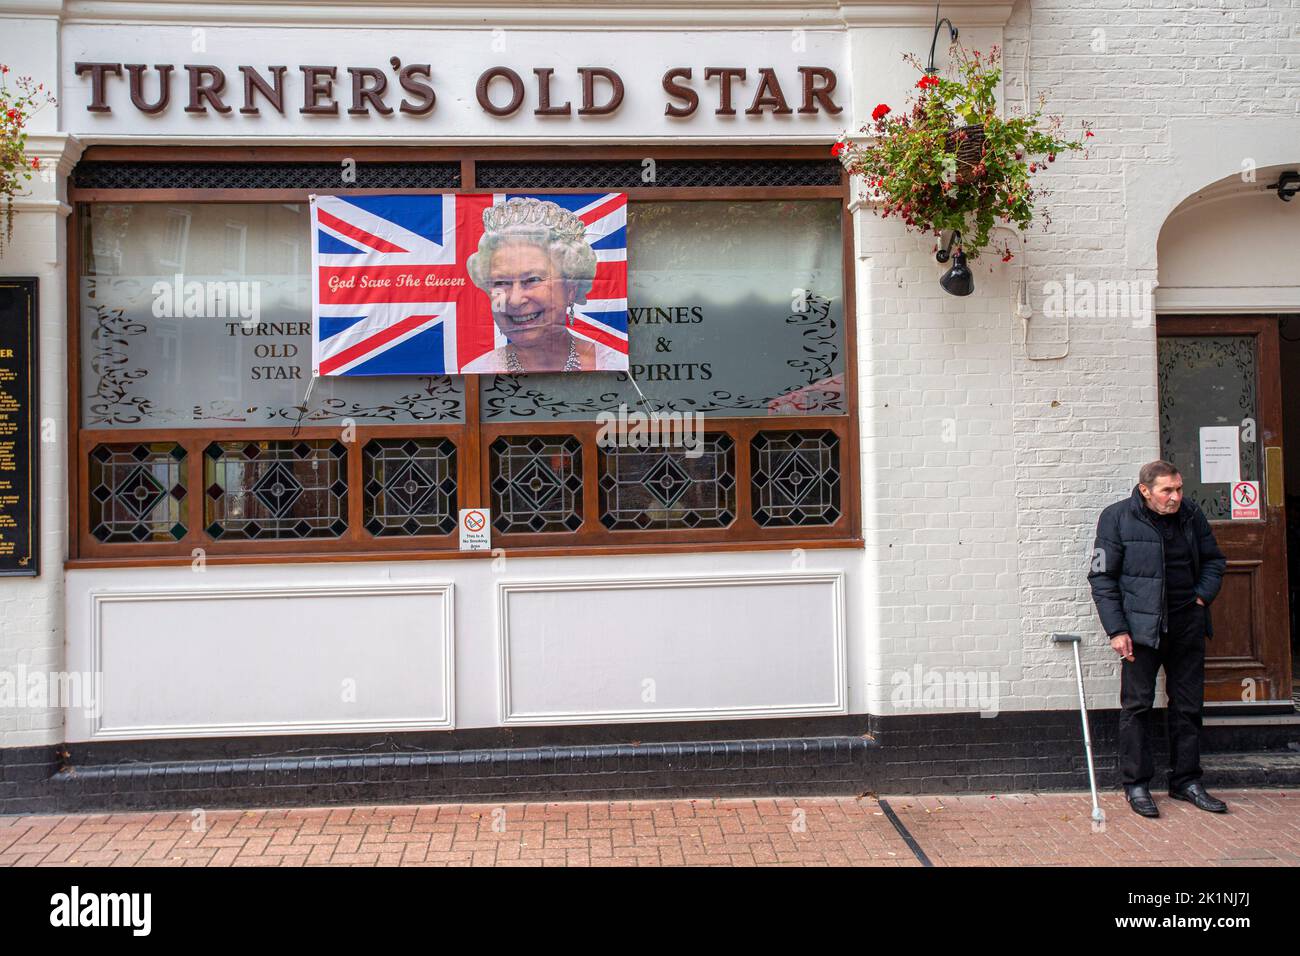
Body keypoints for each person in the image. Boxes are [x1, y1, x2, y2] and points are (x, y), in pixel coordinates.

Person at [1087, 460, 1229, 818]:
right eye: (1168, 490)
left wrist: (1200, 598)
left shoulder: (1191, 514)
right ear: (1146, 490)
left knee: (1188, 706)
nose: (1176, 497)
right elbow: (1102, 577)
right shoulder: (1117, 518)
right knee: (1137, 707)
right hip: (1141, 631)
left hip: (1187, 625)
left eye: (1179, 488)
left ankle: (1186, 781)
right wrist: (1117, 630)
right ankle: (1136, 785)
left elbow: (1214, 560)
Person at [462, 197, 625, 373]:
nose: (516, 300)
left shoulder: (612, 365)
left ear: (571, 288)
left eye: (532, 280)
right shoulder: (476, 371)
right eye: (501, 282)